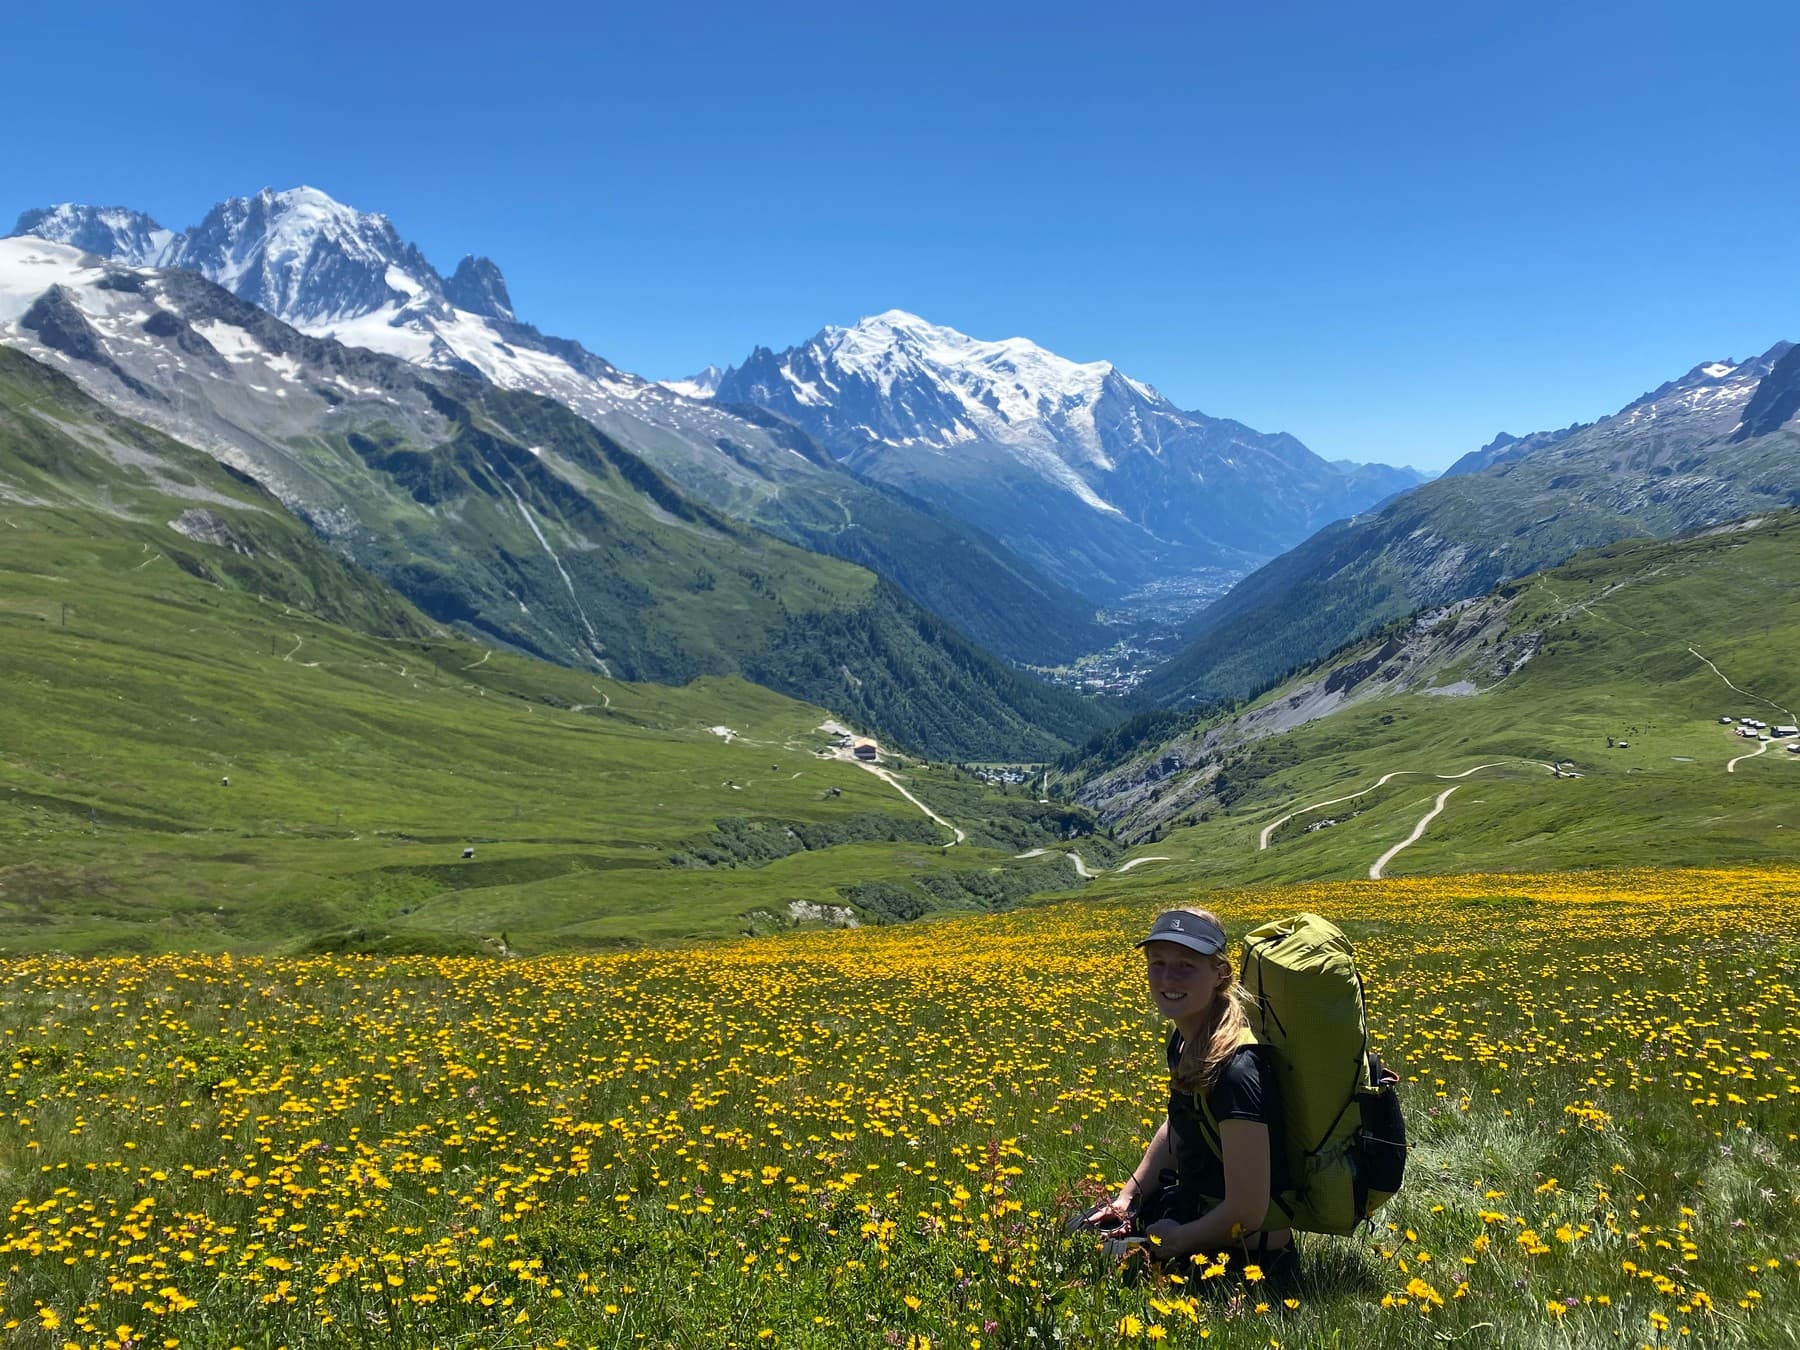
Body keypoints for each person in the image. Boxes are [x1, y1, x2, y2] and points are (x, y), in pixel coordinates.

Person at [1070, 907, 1296, 1278]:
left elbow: (1248, 1210)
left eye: (1185, 966)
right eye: (1157, 963)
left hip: (1246, 1258)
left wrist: (1176, 1240)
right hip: (1199, 1220)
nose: (1167, 978)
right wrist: (1127, 1200)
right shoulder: (1187, 1039)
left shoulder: (1236, 1070)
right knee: (1079, 1231)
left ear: (1220, 973)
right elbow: (1180, 1125)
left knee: (1099, 1266)